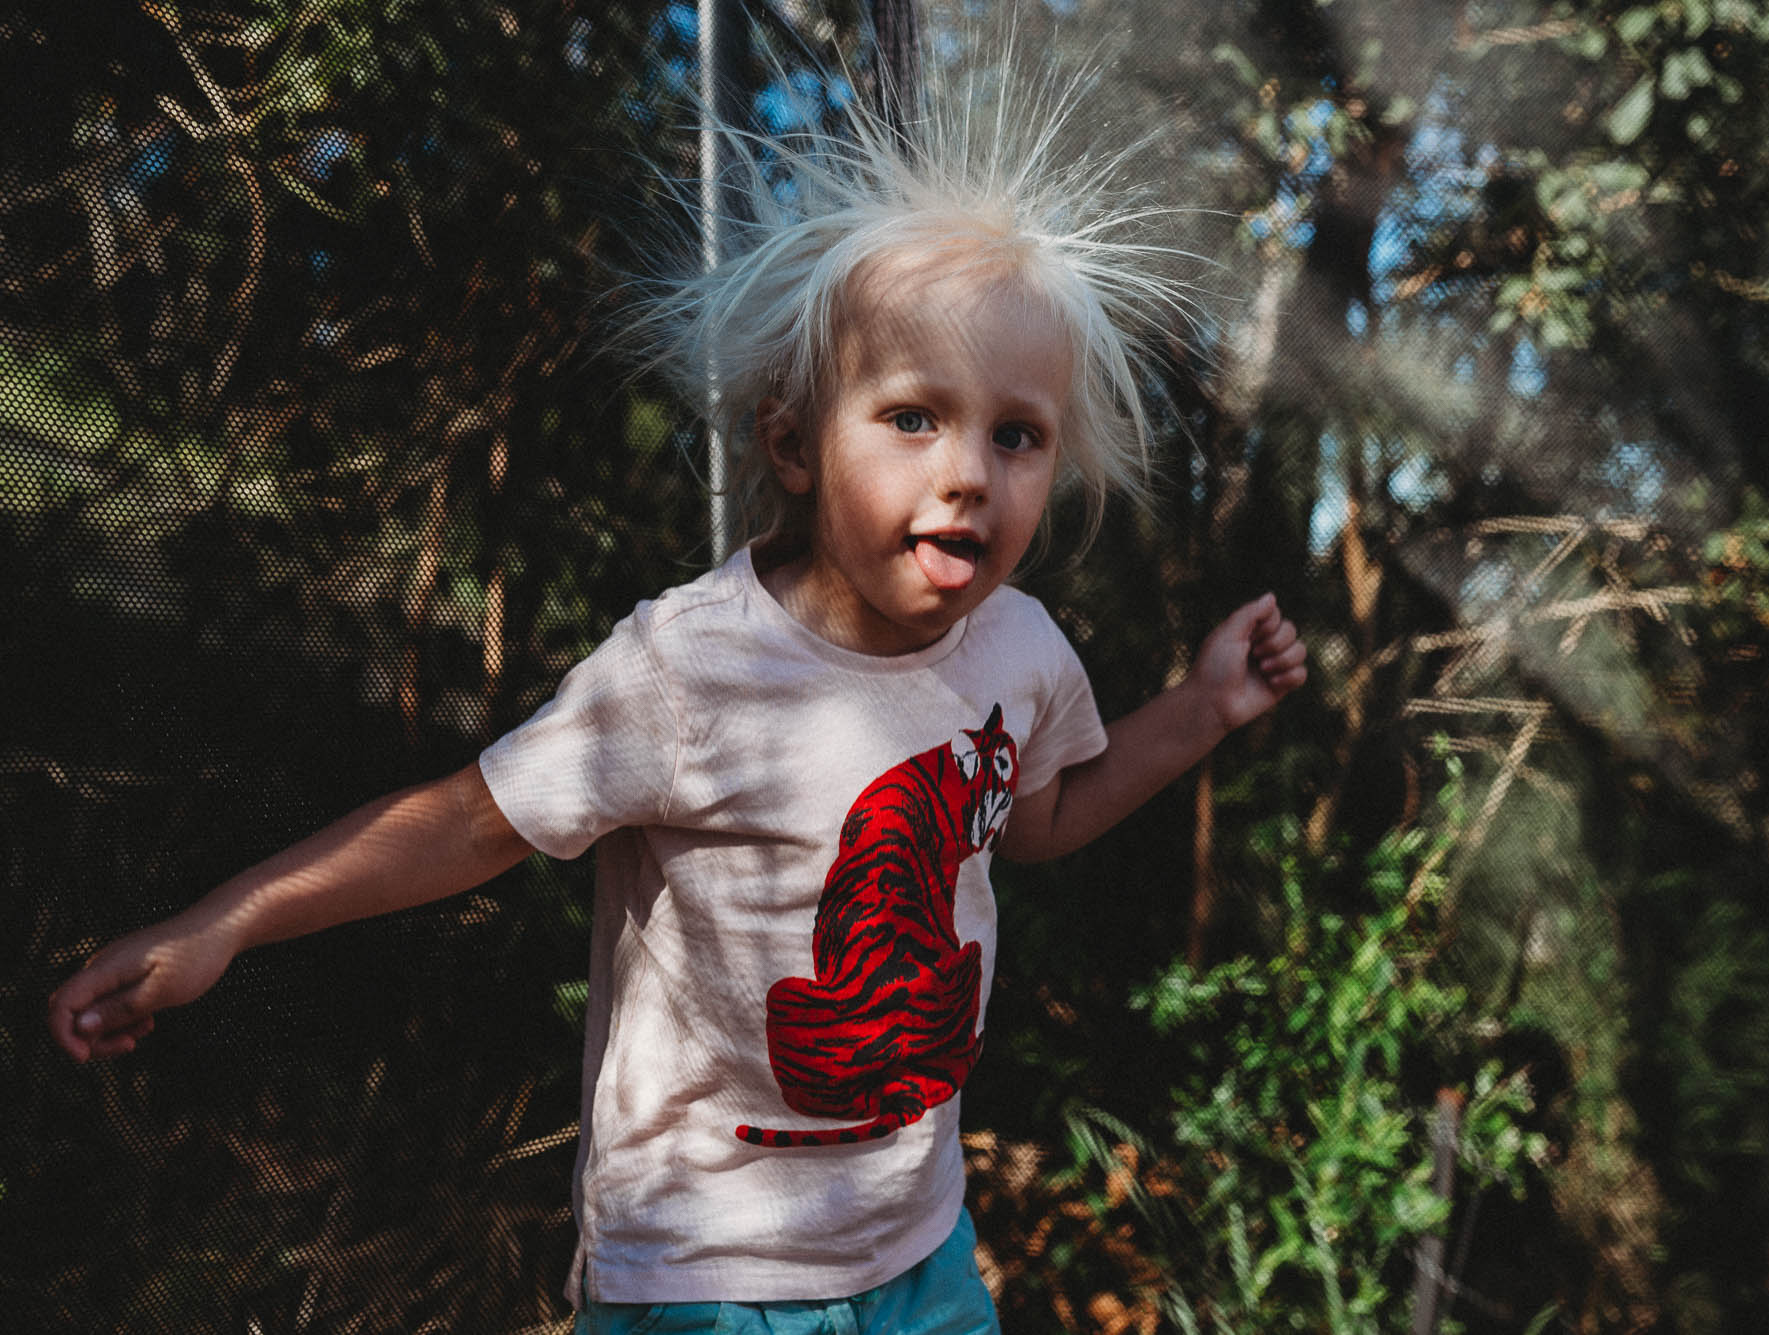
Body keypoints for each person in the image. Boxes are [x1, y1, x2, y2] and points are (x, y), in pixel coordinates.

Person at [47, 71, 1307, 1334]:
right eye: (913, 418)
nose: (969, 473)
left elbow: (1035, 822)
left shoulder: (1018, 649)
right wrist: (229, 921)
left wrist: (1203, 705)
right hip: (706, 1275)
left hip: (916, 1248)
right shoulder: (688, 671)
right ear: (795, 445)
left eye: (1016, 435)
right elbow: (469, 823)